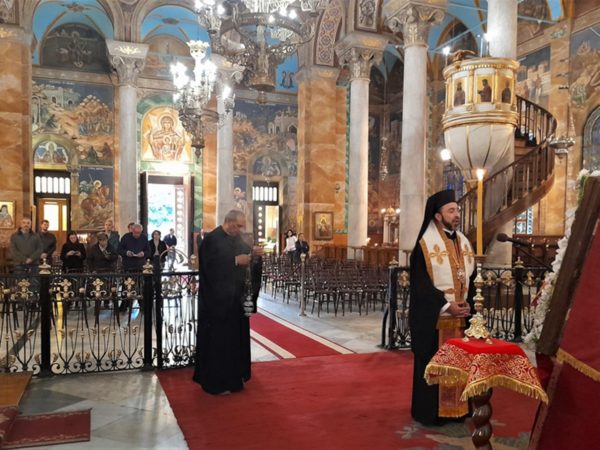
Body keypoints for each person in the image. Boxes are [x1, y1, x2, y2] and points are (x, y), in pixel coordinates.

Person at [409, 189, 476, 426]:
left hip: (461, 319)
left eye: (457, 210)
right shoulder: (424, 245)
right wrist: (447, 305)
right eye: (451, 211)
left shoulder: (463, 242)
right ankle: (433, 413)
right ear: (438, 216)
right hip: (435, 319)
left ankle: (459, 410)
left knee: (461, 364)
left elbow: (471, 278)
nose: (457, 215)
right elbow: (420, 285)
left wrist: (469, 301)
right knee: (434, 364)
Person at [193, 210, 263, 395]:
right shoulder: (211, 240)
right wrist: (234, 261)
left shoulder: (236, 239)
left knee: (234, 342)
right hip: (216, 304)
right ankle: (215, 383)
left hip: (235, 302)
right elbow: (209, 267)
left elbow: (246, 259)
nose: (240, 230)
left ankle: (235, 379)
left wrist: (254, 255)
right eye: (238, 226)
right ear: (230, 222)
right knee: (219, 344)